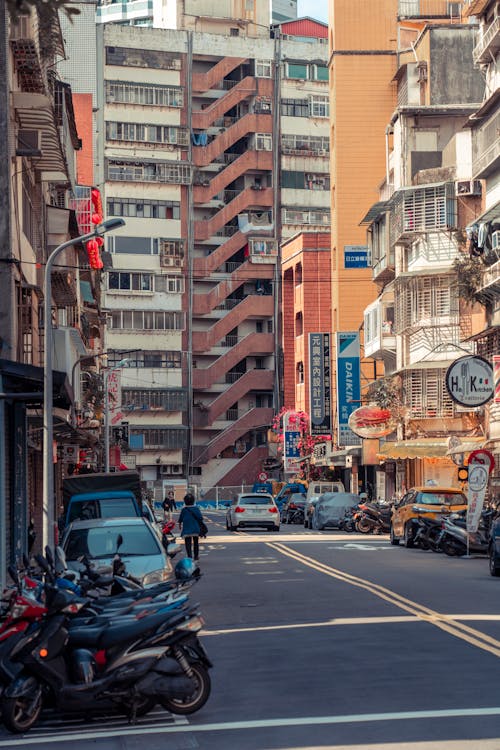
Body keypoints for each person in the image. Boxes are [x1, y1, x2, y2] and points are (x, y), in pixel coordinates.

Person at [178, 493, 204, 562]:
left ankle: (189, 556)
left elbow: (180, 519)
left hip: (187, 530)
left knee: (188, 543)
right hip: (195, 529)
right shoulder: (196, 509)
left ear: (185, 501)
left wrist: (180, 524)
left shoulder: (184, 510)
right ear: (193, 501)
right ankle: (196, 556)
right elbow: (200, 518)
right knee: (196, 543)